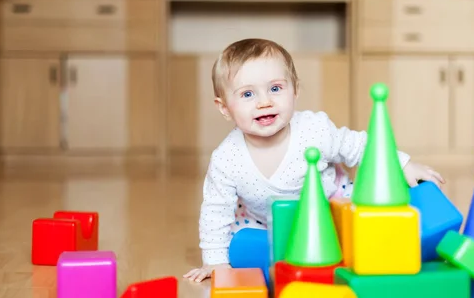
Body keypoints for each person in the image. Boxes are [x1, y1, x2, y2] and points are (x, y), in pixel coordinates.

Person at [183, 38, 445, 282]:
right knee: (238, 244)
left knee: (368, 231)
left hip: (332, 212)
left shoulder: (314, 130)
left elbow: (360, 146)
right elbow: (215, 211)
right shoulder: (226, 159)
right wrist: (215, 262)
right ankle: (284, 261)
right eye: (247, 94)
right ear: (224, 107)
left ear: (295, 90)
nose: (264, 102)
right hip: (264, 223)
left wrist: (403, 163)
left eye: (275, 88)